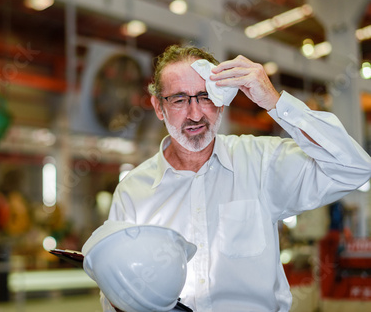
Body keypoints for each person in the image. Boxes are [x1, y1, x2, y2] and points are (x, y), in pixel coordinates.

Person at [101, 45, 371, 311]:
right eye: (180, 99)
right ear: (159, 107)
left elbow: (354, 168)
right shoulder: (133, 191)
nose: (195, 114)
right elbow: (115, 286)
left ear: (222, 101)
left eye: (206, 97)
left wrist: (275, 102)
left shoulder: (261, 163)